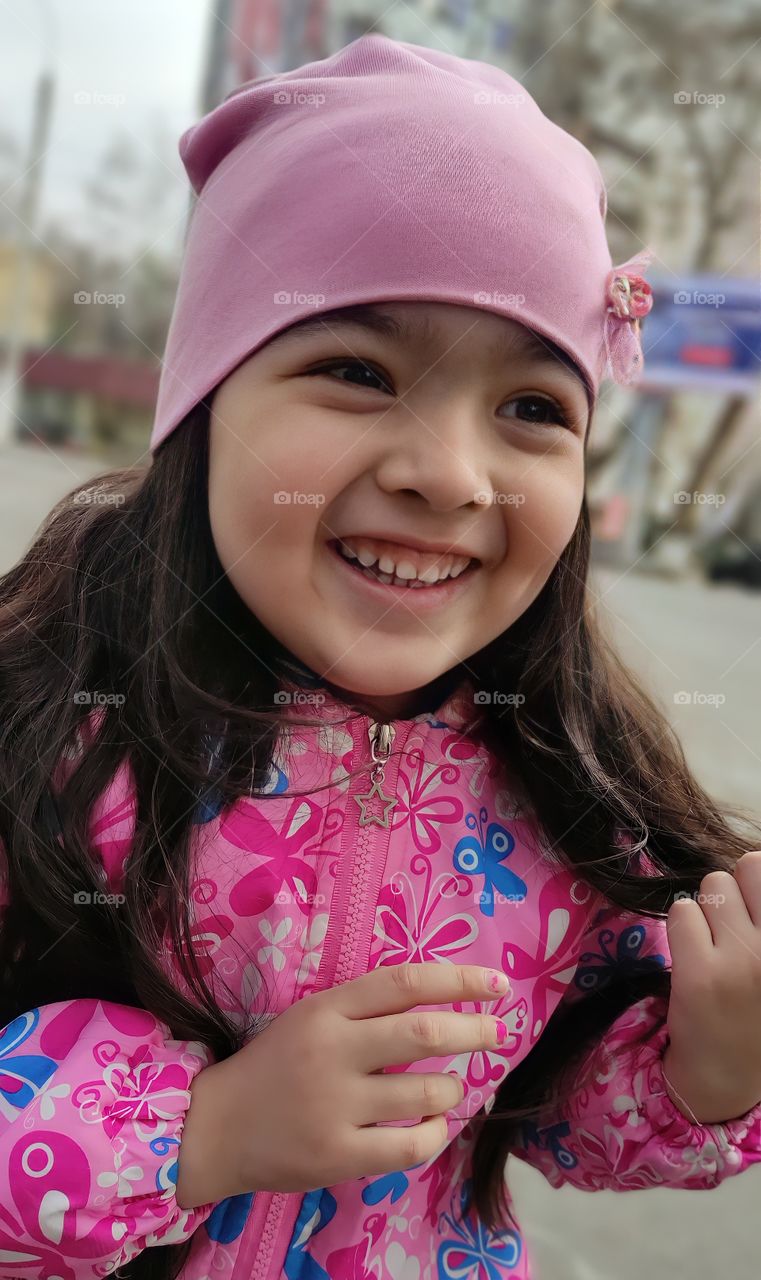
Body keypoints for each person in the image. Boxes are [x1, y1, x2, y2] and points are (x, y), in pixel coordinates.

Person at [1, 33, 760, 1280]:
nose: (448, 474)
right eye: (357, 370)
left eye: (530, 407)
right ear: (204, 409)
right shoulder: (52, 724)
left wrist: (706, 1067)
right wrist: (202, 1133)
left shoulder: (571, 786)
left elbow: (548, 1108)